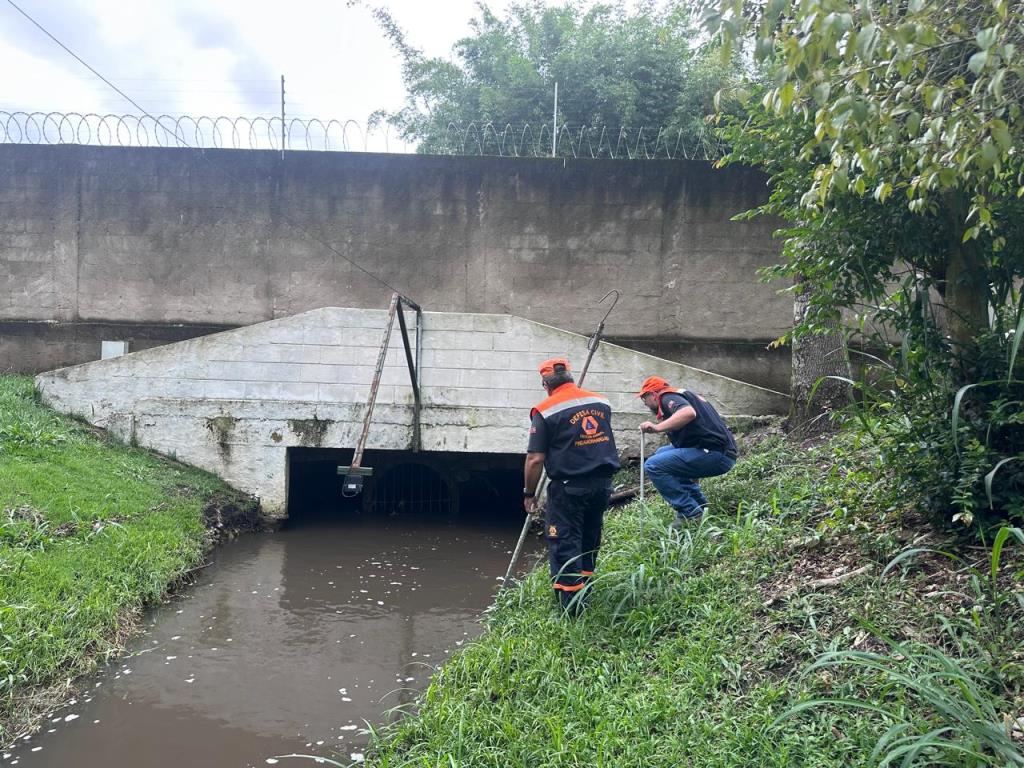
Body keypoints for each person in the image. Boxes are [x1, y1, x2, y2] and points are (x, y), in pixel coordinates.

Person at [523, 357, 619, 615]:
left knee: (565, 542)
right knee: (589, 537)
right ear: (571, 377)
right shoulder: (601, 402)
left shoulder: (544, 411)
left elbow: (535, 459)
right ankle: (586, 591)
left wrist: (529, 494)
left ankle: (572, 611)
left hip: (569, 488)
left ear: (545, 384)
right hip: (602, 485)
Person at [638, 376, 737, 530]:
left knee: (652, 465)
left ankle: (690, 513)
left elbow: (688, 413)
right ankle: (700, 505)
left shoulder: (667, 397)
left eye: (645, 397)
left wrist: (657, 428)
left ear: (654, 393)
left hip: (716, 454)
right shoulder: (681, 395)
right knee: (661, 453)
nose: (644, 402)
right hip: (716, 450)